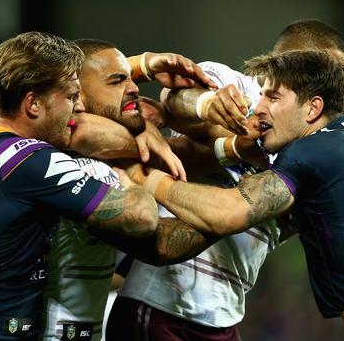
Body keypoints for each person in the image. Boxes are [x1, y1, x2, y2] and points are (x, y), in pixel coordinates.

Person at [122, 49, 344, 340]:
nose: (259, 108)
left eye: (273, 98)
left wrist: (144, 178)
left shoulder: (312, 150)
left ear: (313, 108)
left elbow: (228, 212)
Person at [0, 31, 194, 340]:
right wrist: (130, 183)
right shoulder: (29, 159)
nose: (79, 107)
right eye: (71, 96)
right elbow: (143, 218)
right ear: (32, 104)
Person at [106, 19, 344, 341]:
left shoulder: (311, 139)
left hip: (225, 311)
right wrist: (207, 106)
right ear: (290, 59)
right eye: (332, 70)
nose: (339, 84)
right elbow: (177, 99)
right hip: (162, 300)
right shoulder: (234, 85)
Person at [41, 38, 219, 341]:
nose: (134, 87)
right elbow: (162, 244)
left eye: (130, 77)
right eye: (117, 80)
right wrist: (237, 214)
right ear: (77, 95)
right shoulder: (75, 168)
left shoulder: (102, 158)